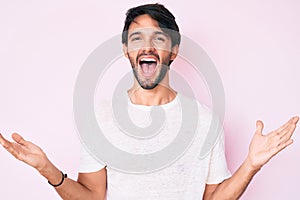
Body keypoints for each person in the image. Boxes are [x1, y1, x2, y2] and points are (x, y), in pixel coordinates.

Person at [0, 3, 298, 200]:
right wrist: (46, 168)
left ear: (174, 50)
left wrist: (251, 165)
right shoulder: (101, 117)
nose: (147, 46)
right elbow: (92, 197)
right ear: (126, 50)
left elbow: (212, 199)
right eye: (137, 38)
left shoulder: (204, 120)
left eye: (159, 38)